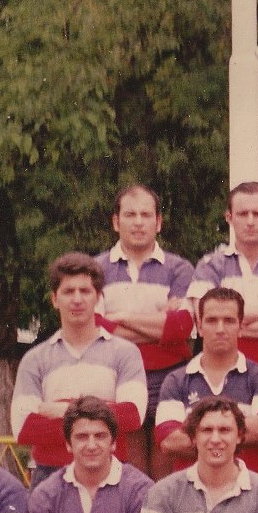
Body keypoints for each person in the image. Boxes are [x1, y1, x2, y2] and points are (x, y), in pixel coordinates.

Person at [12, 252, 147, 469]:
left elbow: (131, 416)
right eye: (68, 291)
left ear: (98, 298)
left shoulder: (125, 353)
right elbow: (24, 429)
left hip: (110, 473)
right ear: (55, 299)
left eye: (85, 291)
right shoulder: (34, 359)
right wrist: (103, 415)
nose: (77, 299)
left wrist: (61, 410)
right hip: (51, 475)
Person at [94, 183, 196, 469]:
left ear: (158, 222)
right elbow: (96, 327)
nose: (138, 222)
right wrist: (158, 323)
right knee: (132, 469)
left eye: (146, 215)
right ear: (116, 222)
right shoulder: (96, 269)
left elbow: (181, 328)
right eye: (130, 215)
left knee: (167, 466)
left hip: (169, 377)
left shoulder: (179, 269)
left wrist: (121, 316)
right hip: (120, 376)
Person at [153, 287, 258, 479]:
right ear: (199, 326)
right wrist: (234, 432)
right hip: (190, 486)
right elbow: (169, 440)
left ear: (241, 327)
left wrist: (200, 431)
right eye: (212, 321)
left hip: (249, 485)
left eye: (229, 321)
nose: (220, 329)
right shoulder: (176, 380)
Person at [189, 181, 258, 370]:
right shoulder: (210, 266)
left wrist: (230, 323)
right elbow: (205, 319)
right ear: (229, 217)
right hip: (223, 372)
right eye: (242, 214)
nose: (250, 221)